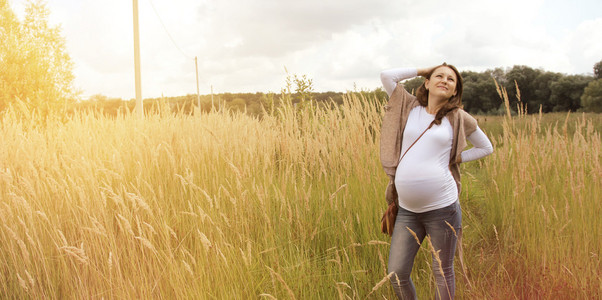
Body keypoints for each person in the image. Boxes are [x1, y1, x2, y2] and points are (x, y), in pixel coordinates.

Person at [379, 63, 493, 299]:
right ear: (427, 84)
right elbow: (387, 76)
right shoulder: (409, 106)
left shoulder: (458, 117)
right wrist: (424, 69)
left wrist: (456, 158)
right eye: (438, 76)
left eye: (451, 80)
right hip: (407, 210)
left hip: (443, 209)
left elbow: (486, 147)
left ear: (454, 92)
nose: (444, 80)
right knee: (397, 273)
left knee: (442, 271)